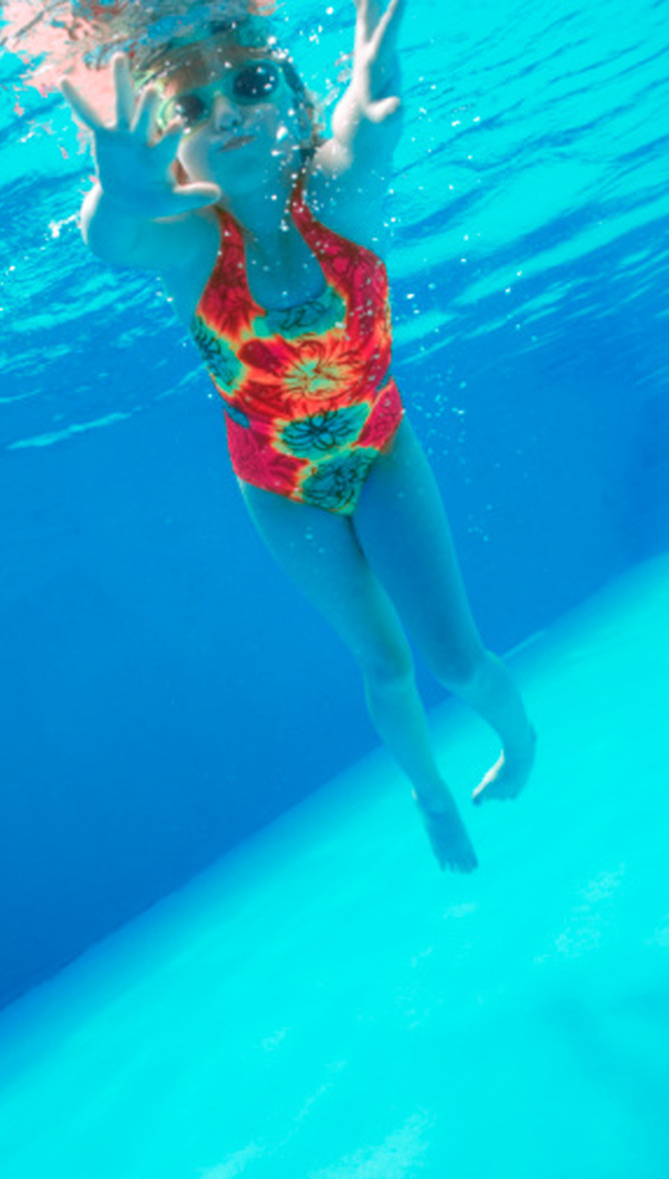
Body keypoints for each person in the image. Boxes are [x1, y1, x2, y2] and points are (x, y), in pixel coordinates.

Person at [61, 0, 536, 873]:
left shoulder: (339, 200)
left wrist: (374, 92)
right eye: (192, 106)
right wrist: (114, 193)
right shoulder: (190, 246)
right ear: (172, 146)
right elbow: (113, 238)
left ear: (297, 103)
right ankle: (431, 796)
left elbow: (366, 133)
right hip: (279, 488)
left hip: (381, 452)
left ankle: (520, 739)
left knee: (456, 658)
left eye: (249, 83)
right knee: (383, 665)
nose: (226, 112)